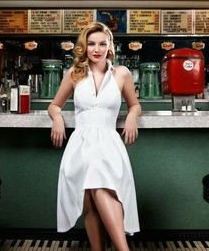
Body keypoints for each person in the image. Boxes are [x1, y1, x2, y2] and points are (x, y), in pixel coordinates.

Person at [48, 22, 141, 251]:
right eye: (91, 44)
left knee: (100, 188)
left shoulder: (121, 73)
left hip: (108, 142)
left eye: (102, 43)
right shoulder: (74, 74)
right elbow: (54, 105)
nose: (96, 49)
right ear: (84, 47)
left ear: (110, 46)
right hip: (81, 143)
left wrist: (131, 117)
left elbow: (135, 105)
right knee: (88, 200)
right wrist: (57, 118)